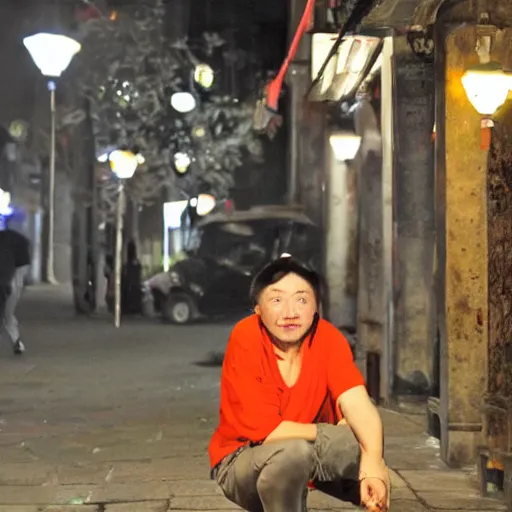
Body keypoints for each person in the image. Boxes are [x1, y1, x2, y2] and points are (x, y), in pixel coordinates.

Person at [209, 256, 390, 512]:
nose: (290, 313)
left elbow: (358, 403)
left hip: (304, 450)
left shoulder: (328, 338)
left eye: (302, 299)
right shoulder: (246, 337)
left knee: (368, 432)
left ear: (317, 307)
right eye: (276, 300)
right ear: (258, 309)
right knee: (293, 454)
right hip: (243, 460)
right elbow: (267, 432)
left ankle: (368, 493)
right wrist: (326, 431)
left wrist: (373, 467)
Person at [0, 225, 30, 355]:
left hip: (6, 281)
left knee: (6, 314)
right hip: (8, 281)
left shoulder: (11, 240)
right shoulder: (16, 239)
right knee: (7, 314)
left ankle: (16, 342)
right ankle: (16, 342)